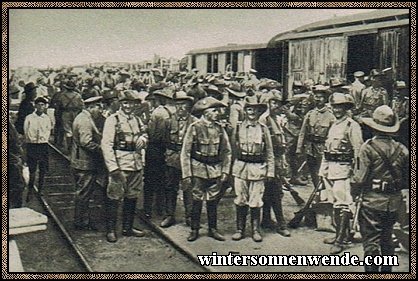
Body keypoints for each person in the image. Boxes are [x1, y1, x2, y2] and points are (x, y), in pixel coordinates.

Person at [352, 105, 409, 272]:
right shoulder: (402, 149)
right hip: (393, 203)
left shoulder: (368, 148)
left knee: (371, 243)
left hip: (372, 202)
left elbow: (359, 178)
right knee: (387, 240)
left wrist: (353, 195)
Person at [180, 97, 232, 242]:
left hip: (215, 169)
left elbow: (227, 151)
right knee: (196, 200)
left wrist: (225, 171)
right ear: (205, 112)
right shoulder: (194, 127)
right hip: (198, 169)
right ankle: (194, 229)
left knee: (212, 201)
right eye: (214, 110)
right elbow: (186, 152)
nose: (217, 113)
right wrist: (187, 174)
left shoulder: (220, 129)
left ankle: (212, 229)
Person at [319, 92, 363, 254]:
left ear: (346, 108)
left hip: (344, 170)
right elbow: (327, 148)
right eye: (334, 106)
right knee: (333, 202)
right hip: (331, 167)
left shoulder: (352, 126)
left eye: (340, 106)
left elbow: (359, 152)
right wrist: (323, 169)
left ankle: (340, 240)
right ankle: (340, 233)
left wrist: (357, 175)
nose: (337, 109)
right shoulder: (334, 124)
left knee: (343, 204)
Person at [101, 90, 148, 243]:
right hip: (120, 166)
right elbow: (106, 145)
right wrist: (113, 168)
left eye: (131, 103)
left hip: (135, 164)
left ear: (135, 104)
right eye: (125, 103)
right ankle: (111, 230)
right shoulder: (112, 120)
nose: (128, 106)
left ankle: (128, 228)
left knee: (132, 196)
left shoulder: (137, 119)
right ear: (120, 104)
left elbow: (144, 133)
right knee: (114, 198)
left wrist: (143, 138)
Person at [231, 96, 275, 242]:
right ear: (245, 111)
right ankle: (240, 229)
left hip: (258, 168)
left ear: (258, 112)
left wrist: (270, 171)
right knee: (240, 199)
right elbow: (232, 150)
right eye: (249, 109)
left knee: (256, 200)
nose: (251, 112)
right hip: (240, 168)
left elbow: (269, 151)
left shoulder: (263, 129)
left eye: (255, 110)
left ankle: (255, 230)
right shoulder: (238, 127)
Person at [161, 91, 197, 228]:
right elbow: (163, 140)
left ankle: (190, 216)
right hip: (172, 156)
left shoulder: (194, 122)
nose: (181, 107)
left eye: (184, 105)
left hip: (188, 158)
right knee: (170, 186)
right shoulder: (168, 121)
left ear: (189, 106)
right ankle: (169, 215)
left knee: (189, 187)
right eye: (178, 104)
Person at [259, 90, 291, 237]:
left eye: (278, 103)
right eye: (273, 102)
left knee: (270, 191)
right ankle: (281, 223)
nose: (276, 105)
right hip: (268, 160)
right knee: (276, 192)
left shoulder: (276, 118)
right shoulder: (263, 120)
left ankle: (265, 220)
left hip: (277, 158)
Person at [71, 96, 104, 230]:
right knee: (83, 193)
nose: (99, 110)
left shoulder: (84, 117)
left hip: (82, 161)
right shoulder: (84, 120)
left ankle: (82, 219)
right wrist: (101, 149)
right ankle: (81, 221)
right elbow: (86, 142)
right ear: (90, 107)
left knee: (83, 192)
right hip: (84, 162)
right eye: (98, 107)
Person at [297, 86, 335, 191]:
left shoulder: (331, 116)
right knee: (313, 171)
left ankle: (324, 194)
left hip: (323, 148)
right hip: (310, 148)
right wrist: (299, 148)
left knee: (323, 172)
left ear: (326, 99)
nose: (318, 99)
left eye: (321, 97)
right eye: (316, 97)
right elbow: (302, 132)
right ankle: (317, 191)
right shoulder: (310, 114)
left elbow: (333, 135)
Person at [24, 97, 52, 201]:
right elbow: (26, 131)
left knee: (43, 169)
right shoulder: (29, 118)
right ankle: (30, 190)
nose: (41, 107)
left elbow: (48, 130)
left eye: (43, 105)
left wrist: (43, 139)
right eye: (39, 104)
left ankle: (40, 190)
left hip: (43, 145)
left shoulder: (47, 118)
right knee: (32, 169)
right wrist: (30, 141)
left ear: (45, 106)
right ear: (35, 106)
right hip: (32, 146)